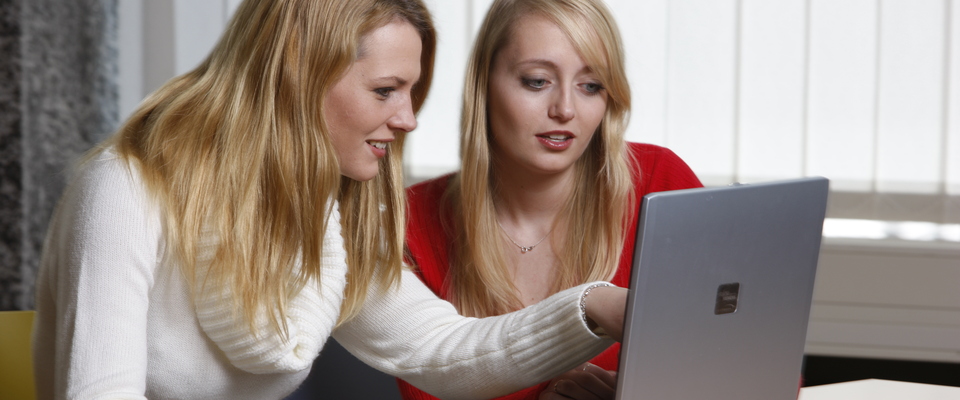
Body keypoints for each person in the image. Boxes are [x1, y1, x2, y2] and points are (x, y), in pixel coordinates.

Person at [31, 1, 629, 399]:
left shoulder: (324, 213)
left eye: (411, 91)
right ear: (299, 74)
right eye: (386, 91)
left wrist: (596, 306)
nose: (408, 119)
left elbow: (442, 349)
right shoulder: (125, 189)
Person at [398, 0, 703, 399]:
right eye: (537, 81)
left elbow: (758, 366)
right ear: (484, 85)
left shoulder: (659, 183)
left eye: (590, 86)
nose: (565, 110)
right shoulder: (408, 221)